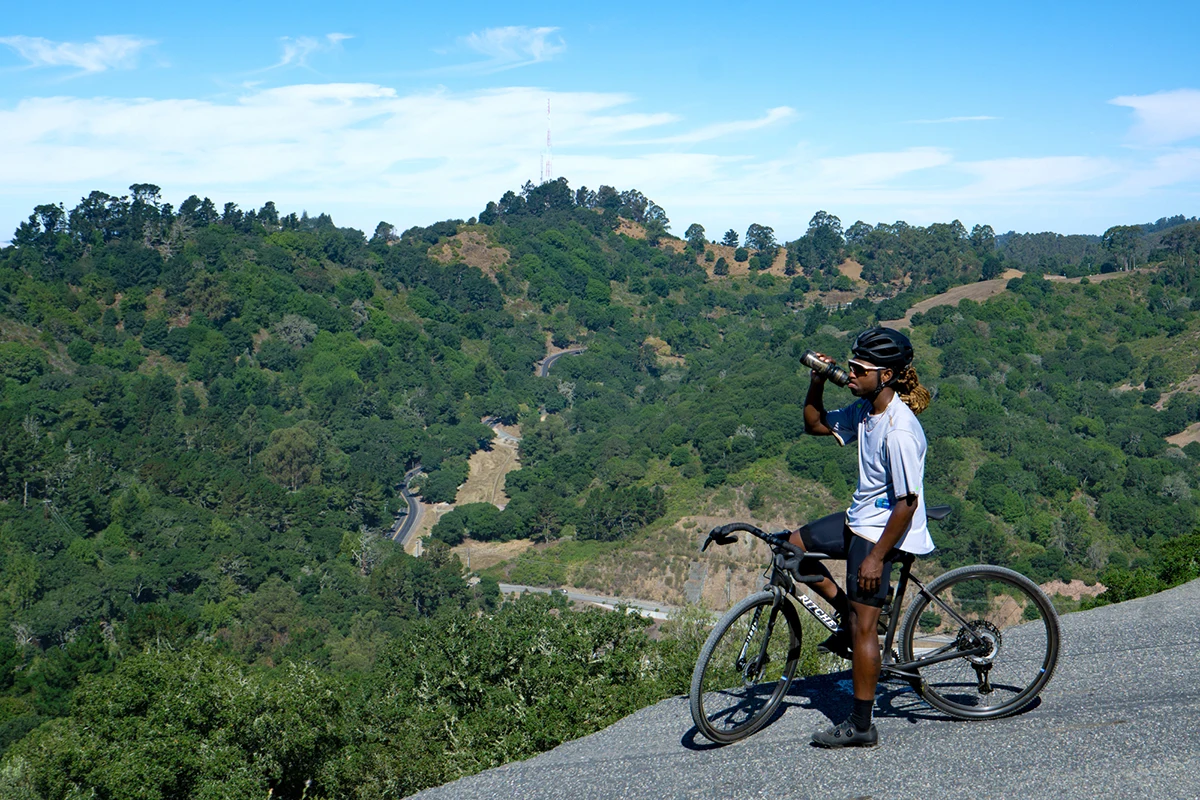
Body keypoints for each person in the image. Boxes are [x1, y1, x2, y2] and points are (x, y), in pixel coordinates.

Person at [786, 327, 933, 748]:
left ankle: (862, 725)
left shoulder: (899, 429)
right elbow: (814, 425)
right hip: (859, 519)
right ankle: (850, 614)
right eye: (848, 367)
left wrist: (875, 559)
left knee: (865, 629)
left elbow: (906, 503)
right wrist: (817, 380)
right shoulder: (866, 410)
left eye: (858, 369)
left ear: (885, 375)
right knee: (790, 549)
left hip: (884, 531)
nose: (848, 374)